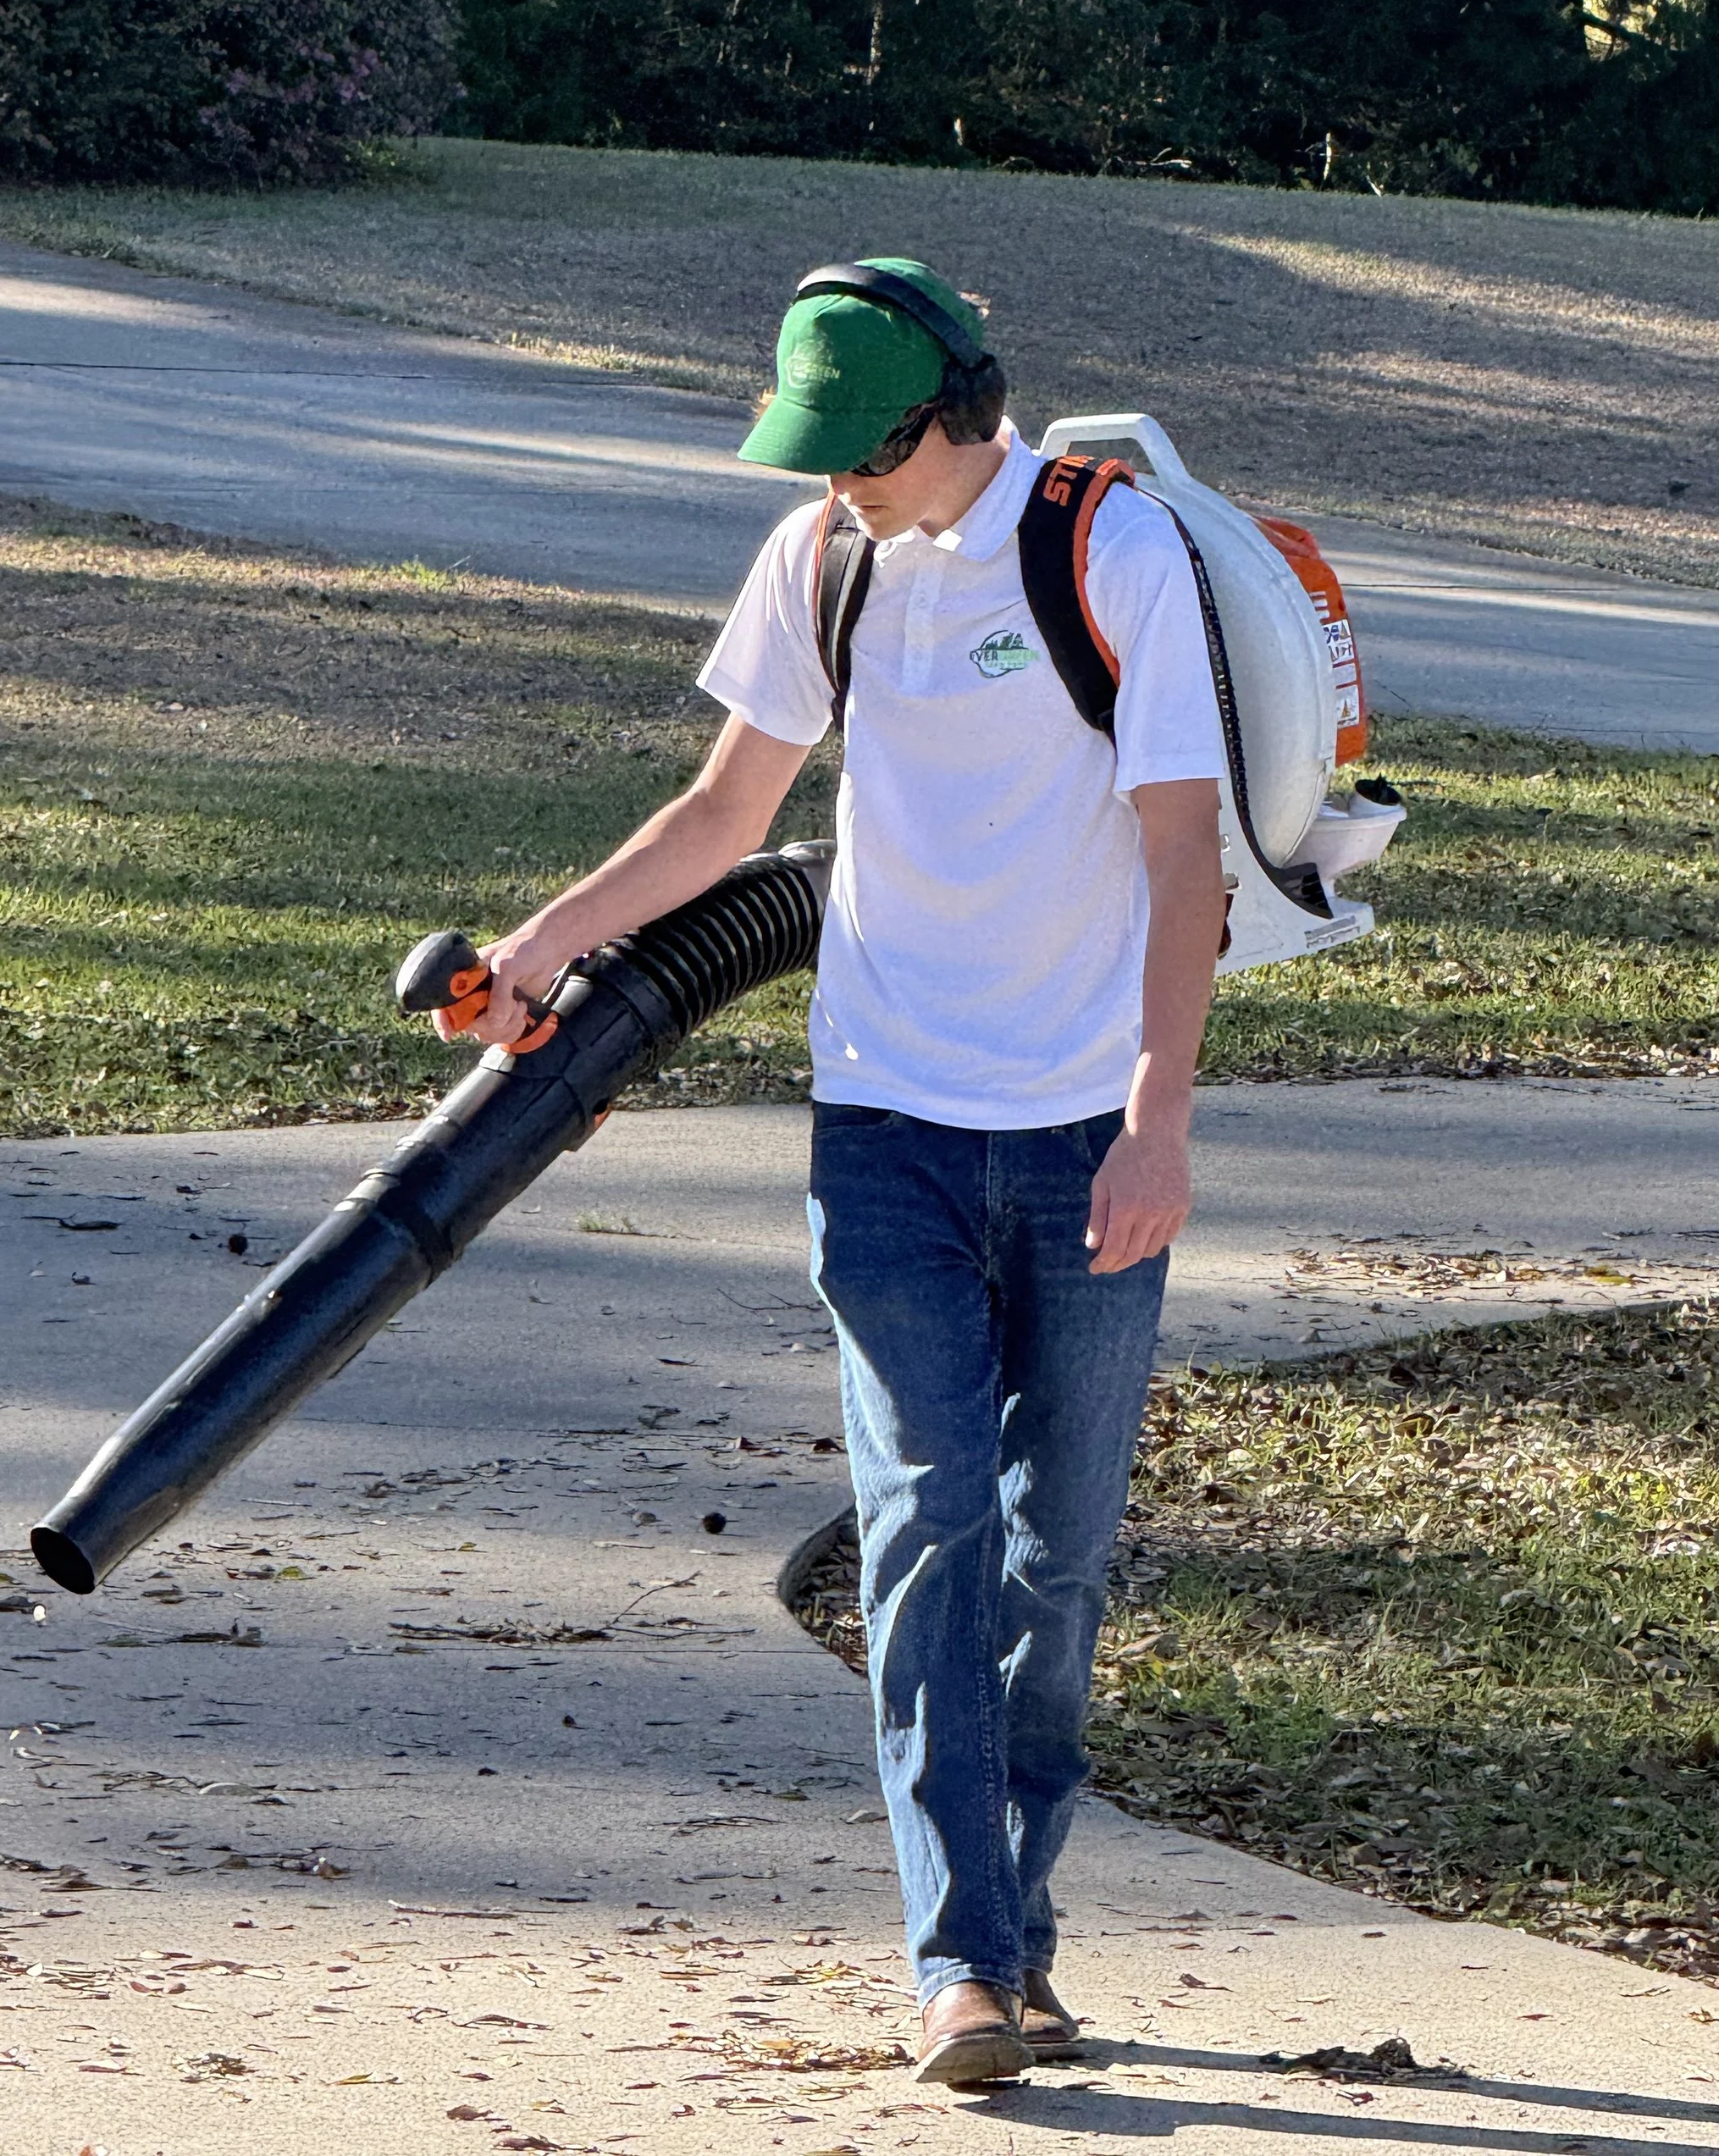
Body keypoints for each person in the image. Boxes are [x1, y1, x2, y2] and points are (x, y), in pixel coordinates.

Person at [462, 259, 1227, 2088]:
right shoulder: (824, 559)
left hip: (1076, 1132)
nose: (828, 485)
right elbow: (727, 812)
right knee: (924, 1515)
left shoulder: (1105, 553)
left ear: (946, 417)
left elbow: (1183, 851)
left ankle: (1015, 1928)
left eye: (853, 453)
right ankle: (956, 1960)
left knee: (1052, 1561)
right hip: (881, 1111)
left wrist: (1158, 1109)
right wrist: (546, 941)